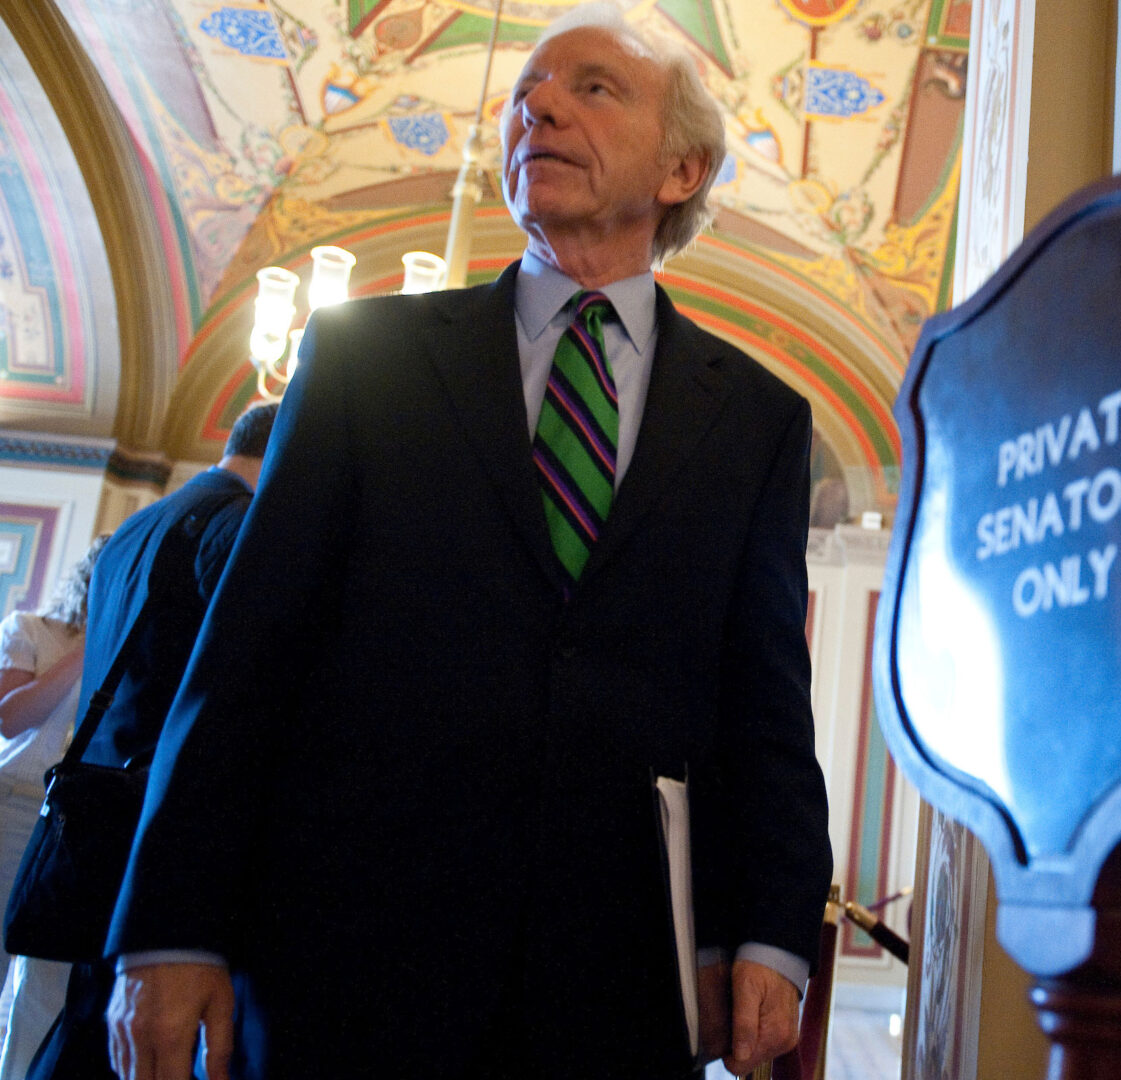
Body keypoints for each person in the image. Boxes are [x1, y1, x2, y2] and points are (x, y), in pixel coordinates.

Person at [104, 7, 832, 1080]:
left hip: (614, 978)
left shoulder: (760, 418)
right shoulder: (365, 360)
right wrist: (170, 926)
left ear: (682, 167)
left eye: (592, 88)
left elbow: (765, 698)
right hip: (345, 964)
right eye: (527, 90)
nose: (534, 104)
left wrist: (770, 929)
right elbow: (247, 655)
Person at [25, 402, 278, 1080]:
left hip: (98, 805)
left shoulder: (137, 525)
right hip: (158, 811)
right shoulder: (235, 524)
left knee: (90, 1022)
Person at [0, 537, 109, 1078]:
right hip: (15, 804)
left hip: (78, 819)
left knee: (45, 975)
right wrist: (89, 650)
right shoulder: (31, 630)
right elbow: (10, 719)